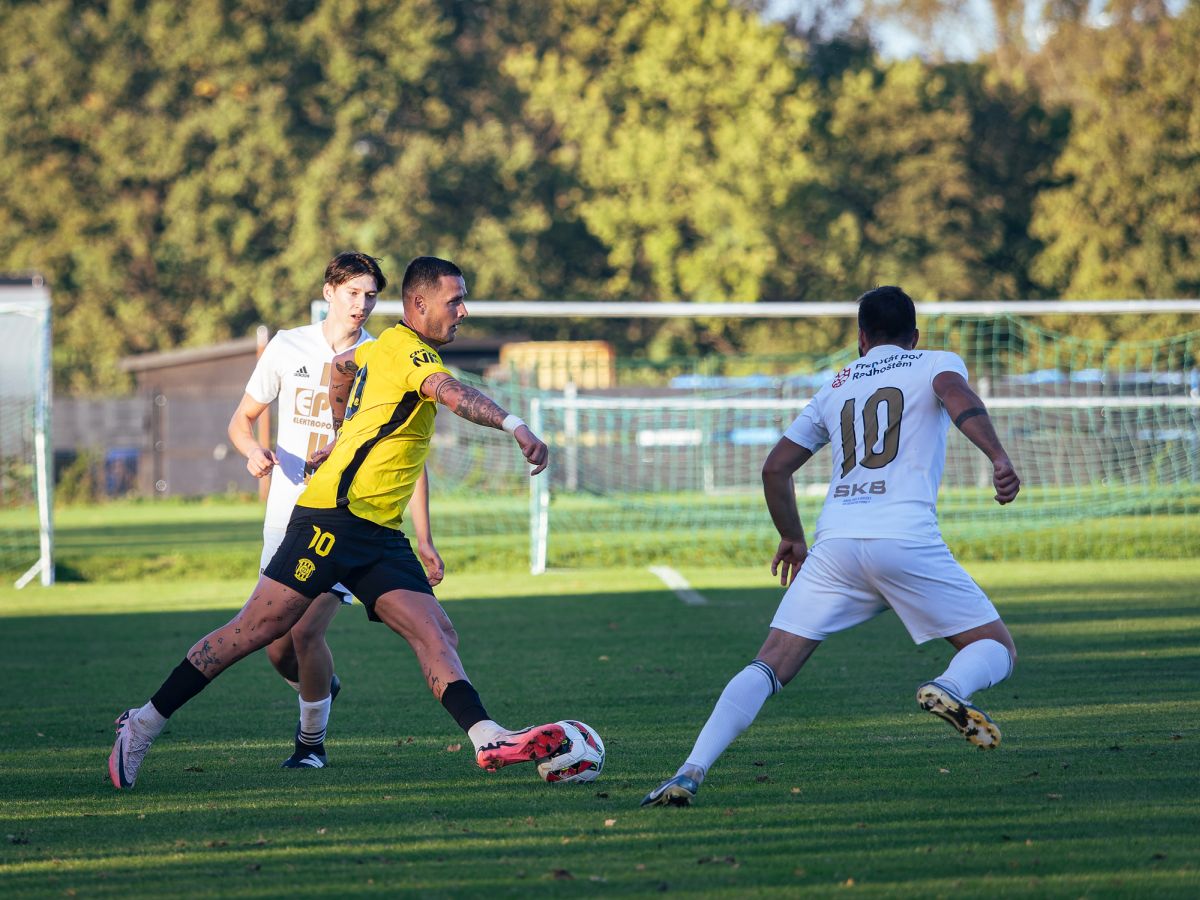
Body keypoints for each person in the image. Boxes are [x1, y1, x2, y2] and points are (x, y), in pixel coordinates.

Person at [109, 256, 561, 790]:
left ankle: (487, 736)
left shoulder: (377, 348)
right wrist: (516, 425)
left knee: (436, 630)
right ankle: (141, 724)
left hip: (378, 532)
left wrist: (342, 434)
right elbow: (452, 393)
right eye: (455, 301)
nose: (464, 311)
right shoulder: (411, 352)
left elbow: (342, 371)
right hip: (331, 520)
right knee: (258, 631)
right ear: (419, 304)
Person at [642, 285, 1021, 808]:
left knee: (769, 664)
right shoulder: (934, 362)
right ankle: (952, 687)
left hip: (835, 545)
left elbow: (774, 468)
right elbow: (958, 397)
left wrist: (792, 538)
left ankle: (689, 770)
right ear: (914, 337)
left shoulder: (836, 385)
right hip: (904, 539)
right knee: (996, 648)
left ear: (861, 338)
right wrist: (998, 456)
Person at [226, 250, 444, 769]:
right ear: (329, 292)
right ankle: (320, 687)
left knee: (306, 632)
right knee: (277, 646)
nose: (361, 304)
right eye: (352, 293)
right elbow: (241, 420)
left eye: (371, 296)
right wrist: (253, 451)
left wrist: (425, 539)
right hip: (287, 517)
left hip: (347, 520)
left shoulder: (383, 356)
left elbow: (409, 459)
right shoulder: (287, 346)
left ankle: (310, 746)